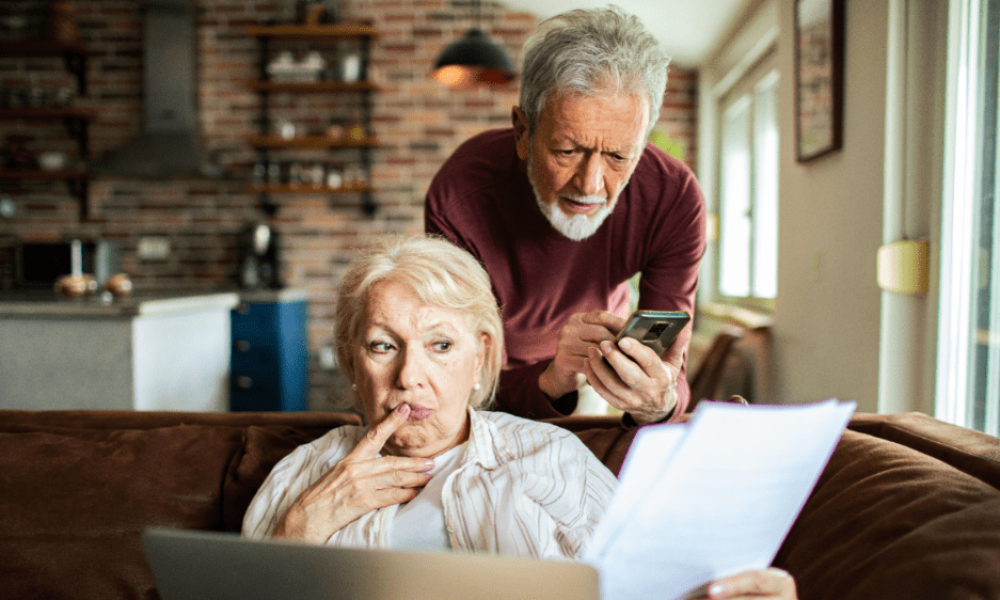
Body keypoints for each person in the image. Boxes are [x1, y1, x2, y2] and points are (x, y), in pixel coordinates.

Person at [241, 235, 798, 599]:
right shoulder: (306, 475)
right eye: (384, 346)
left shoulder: (550, 457)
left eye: (440, 345)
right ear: (351, 359)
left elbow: (643, 590)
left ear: (482, 354)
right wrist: (304, 526)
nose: (411, 376)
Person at [425, 5, 706, 426]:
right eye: (567, 151)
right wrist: (551, 376)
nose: (590, 185)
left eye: (618, 156)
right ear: (523, 133)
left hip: (595, 369)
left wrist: (658, 400)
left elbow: (672, 378)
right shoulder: (460, 195)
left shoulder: (673, 197)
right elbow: (459, 375)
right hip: (494, 373)